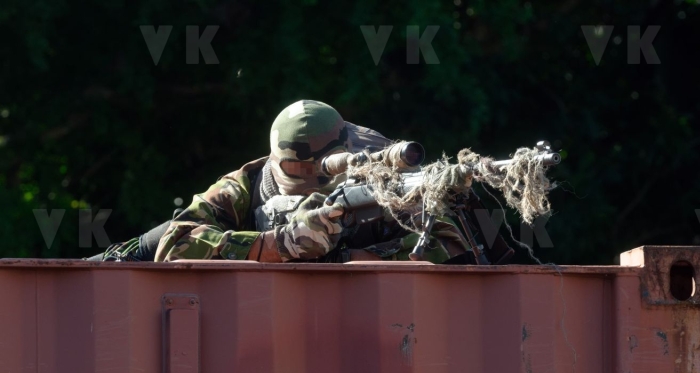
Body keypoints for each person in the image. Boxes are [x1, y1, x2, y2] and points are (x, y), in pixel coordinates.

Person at [93, 100, 468, 263]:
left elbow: (449, 247)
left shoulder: (375, 168)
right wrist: (278, 247)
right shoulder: (245, 186)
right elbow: (173, 244)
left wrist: (346, 258)